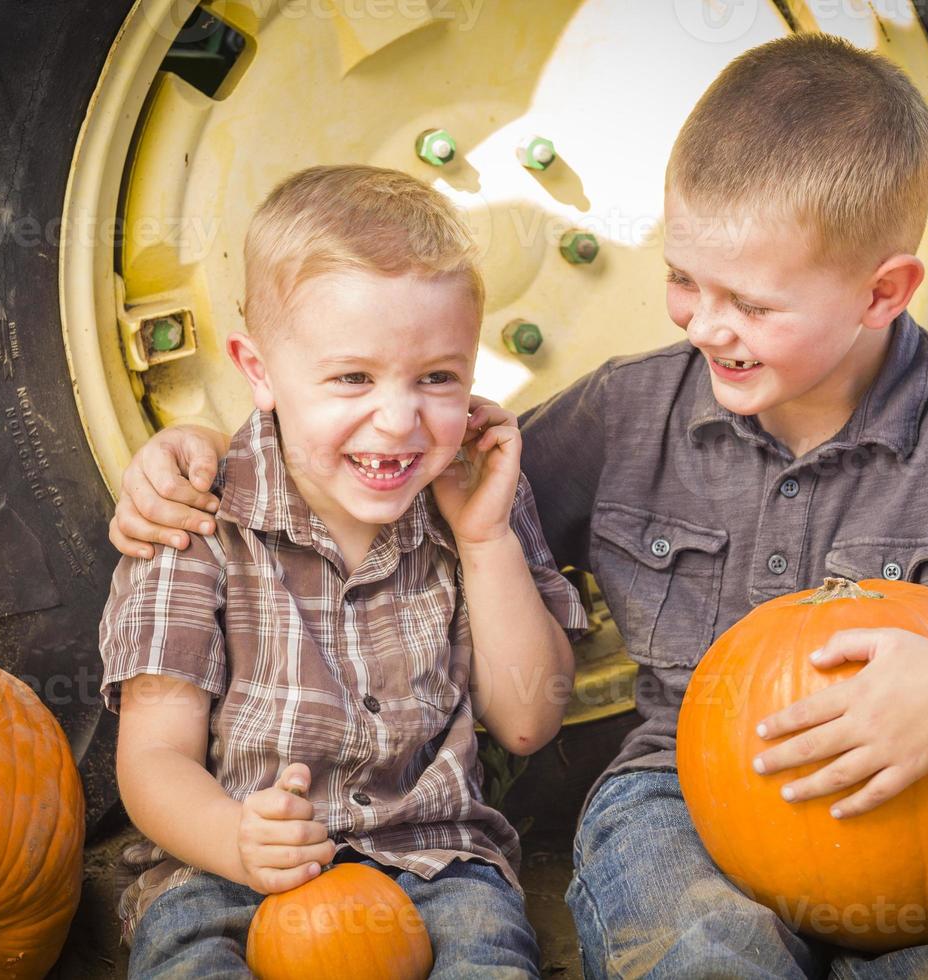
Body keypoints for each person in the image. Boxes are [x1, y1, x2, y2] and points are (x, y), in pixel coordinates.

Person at [106, 34, 928, 979]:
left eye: (751, 303)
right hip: (682, 799)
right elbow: (417, 466)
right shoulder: (631, 408)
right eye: (684, 280)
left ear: (885, 292)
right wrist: (196, 450)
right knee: (703, 950)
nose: (706, 325)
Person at [98, 164, 587, 978]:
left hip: (433, 861)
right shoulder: (192, 515)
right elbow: (152, 758)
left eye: (437, 377)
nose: (397, 421)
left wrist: (488, 539)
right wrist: (236, 839)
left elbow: (528, 722)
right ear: (257, 370)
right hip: (225, 866)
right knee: (188, 960)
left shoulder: (473, 496)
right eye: (352, 378)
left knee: (489, 961)